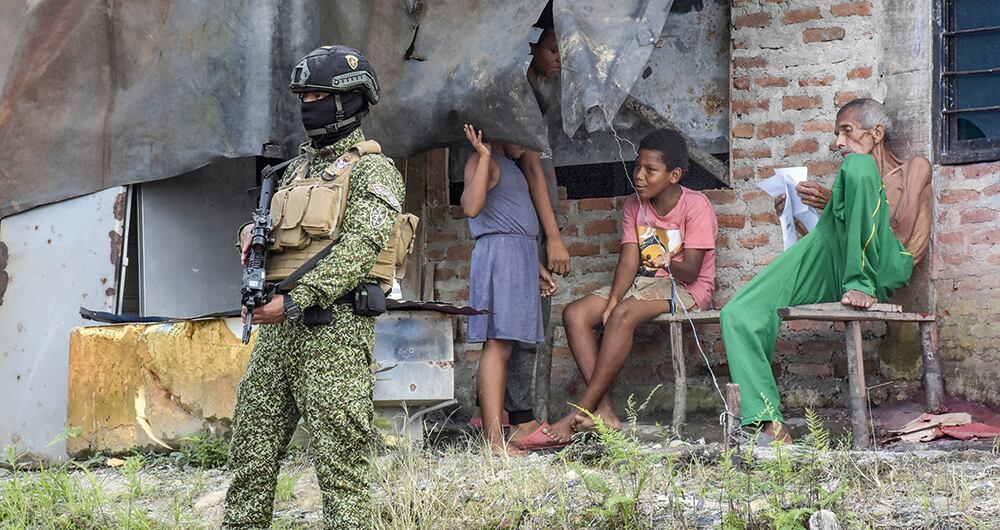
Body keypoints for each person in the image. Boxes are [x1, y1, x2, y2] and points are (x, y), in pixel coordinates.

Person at [224, 45, 404, 529]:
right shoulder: (291, 173)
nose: (309, 105)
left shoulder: (374, 171)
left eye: (319, 95)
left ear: (349, 101)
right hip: (278, 337)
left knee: (342, 476)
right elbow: (279, 237)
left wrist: (296, 300)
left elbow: (359, 249)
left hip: (335, 335)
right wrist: (247, 235)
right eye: (304, 96)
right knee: (249, 462)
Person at [720, 98, 932, 444]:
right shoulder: (852, 180)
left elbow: (900, 233)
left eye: (846, 132)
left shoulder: (914, 168)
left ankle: (858, 284)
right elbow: (850, 236)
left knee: (859, 168)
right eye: (837, 135)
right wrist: (807, 212)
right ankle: (767, 424)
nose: (838, 143)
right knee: (738, 312)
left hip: (886, 265)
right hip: (843, 260)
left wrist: (837, 203)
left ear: (876, 133)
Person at [545, 129, 719, 442]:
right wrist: (611, 302)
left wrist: (664, 259)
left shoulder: (696, 206)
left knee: (624, 314)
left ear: (674, 175)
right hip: (642, 282)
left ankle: (582, 410)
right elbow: (628, 261)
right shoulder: (634, 205)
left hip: (686, 289)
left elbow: (692, 271)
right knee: (576, 314)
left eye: (650, 170)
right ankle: (605, 413)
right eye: (638, 166)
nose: (639, 176)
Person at [462, 123, 564, 455]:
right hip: (500, 258)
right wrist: (484, 154)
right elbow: (471, 208)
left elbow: (513, 220)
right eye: (521, 133)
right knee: (498, 346)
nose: (528, 145)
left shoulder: (512, 167)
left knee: (507, 344)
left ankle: (498, 434)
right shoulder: (484, 162)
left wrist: (534, 267)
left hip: (517, 257)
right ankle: (493, 442)